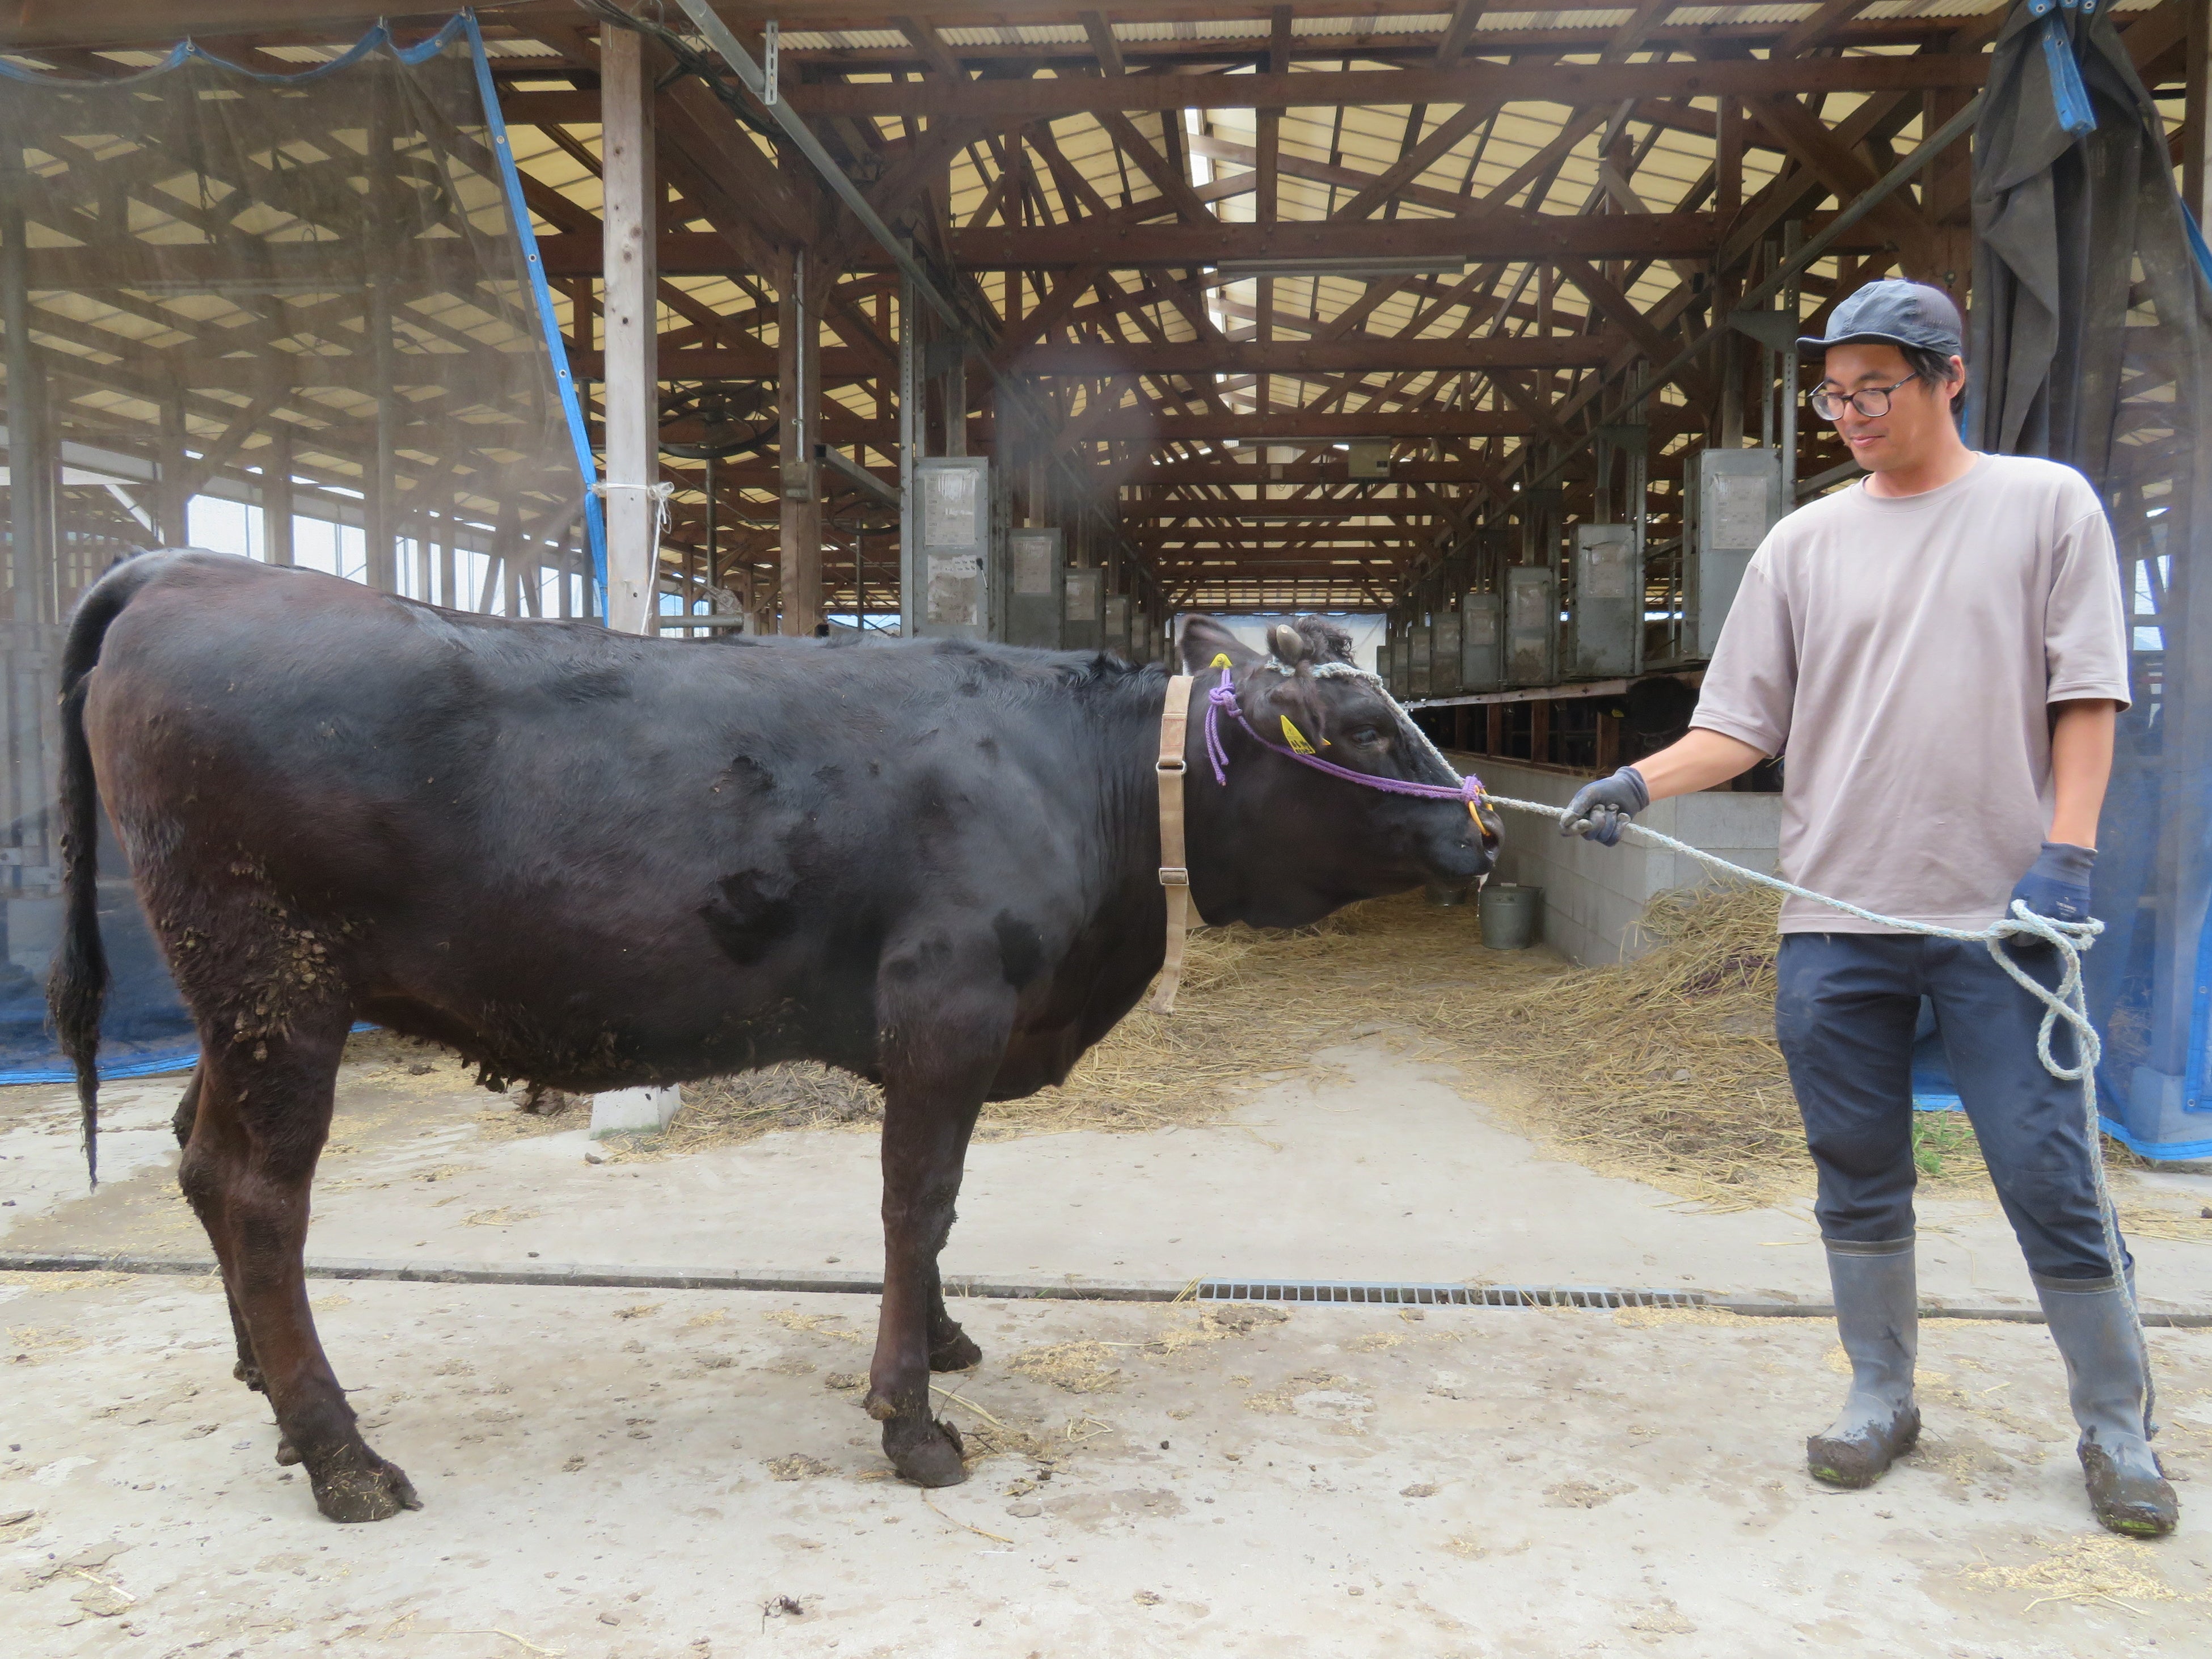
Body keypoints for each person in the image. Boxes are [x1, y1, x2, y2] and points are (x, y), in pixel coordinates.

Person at [1563, 278, 2175, 1538]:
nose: (1847, 413)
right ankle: (1881, 1392)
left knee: (2046, 1167)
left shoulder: (2043, 506)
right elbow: (1740, 725)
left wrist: (2068, 851)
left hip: (2001, 922)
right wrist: (1637, 780)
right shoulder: (1804, 543)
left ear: (1949, 378)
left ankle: (2115, 1426)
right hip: (1833, 918)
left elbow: (2089, 696)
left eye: (1872, 389)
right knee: (1856, 1167)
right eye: (1831, 394)